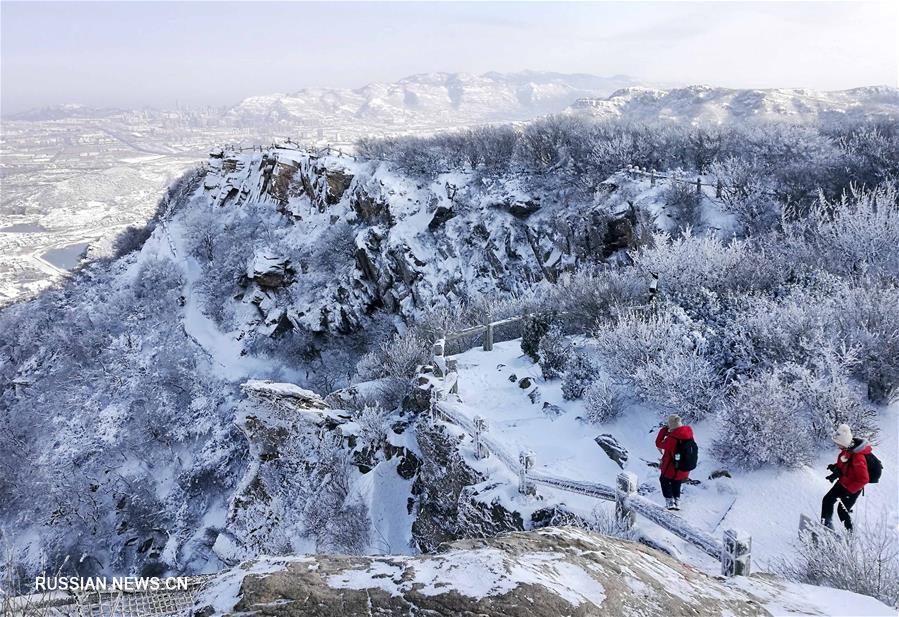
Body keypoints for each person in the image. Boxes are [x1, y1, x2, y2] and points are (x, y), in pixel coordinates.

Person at [821, 424, 871, 531]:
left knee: (842, 510)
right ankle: (826, 526)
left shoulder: (858, 457)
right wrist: (835, 469)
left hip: (852, 488)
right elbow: (845, 465)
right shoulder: (847, 450)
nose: (836, 445)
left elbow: (863, 479)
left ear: (843, 443)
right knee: (827, 500)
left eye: (837, 443)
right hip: (843, 482)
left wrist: (849, 491)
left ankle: (850, 535)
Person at [655, 414, 694, 511]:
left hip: (671, 467)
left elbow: (658, 443)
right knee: (676, 482)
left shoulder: (673, 439)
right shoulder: (688, 435)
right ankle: (677, 502)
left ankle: (669, 502)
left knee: (664, 480)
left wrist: (663, 431)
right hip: (684, 468)